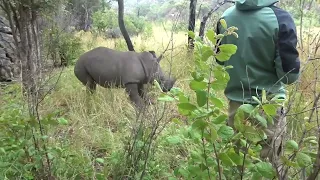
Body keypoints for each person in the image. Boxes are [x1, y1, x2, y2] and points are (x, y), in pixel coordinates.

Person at [215, 0, 301, 177]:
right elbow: (289, 75)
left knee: (239, 169)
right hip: (268, 110)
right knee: (268, 170)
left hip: (235, 110)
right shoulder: (281, 19)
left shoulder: (225, 18)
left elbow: (220, 60)